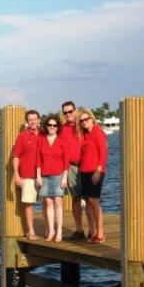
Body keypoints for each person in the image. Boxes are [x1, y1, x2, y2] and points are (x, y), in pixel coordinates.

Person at [76, 108, 108, 243]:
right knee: (87, 201)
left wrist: (98, 169)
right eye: (81, 120)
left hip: (95, 171)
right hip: (84, 171)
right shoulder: (84, 134)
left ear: (92, 119)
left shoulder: (97, 132)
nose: (84, 122)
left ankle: (100, 231)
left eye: (86, 119)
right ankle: (92, 230)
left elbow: (103, 152)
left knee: (94, 201)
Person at [36, 114, 69, 242]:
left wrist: (65, 178)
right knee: (48, 203)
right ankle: (51, 231)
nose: (52, 127)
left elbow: (66, 161)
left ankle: (59, 231)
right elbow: (38, 159)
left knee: (58, 203)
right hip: (44, 176)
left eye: (54, 125)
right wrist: (38, 176)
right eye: (49, 125)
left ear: (58, 127)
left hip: (58, 175)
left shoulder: (62, 141)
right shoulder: (42, 140)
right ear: (46, 126)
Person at [12, 110, 40, 240]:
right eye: (30, 120)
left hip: (44, 175)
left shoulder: (45, 134)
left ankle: (50, 230)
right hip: (27, 175)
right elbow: (16, 156)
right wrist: (16, 175)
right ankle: (31, 230)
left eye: (35, 119)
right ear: (27, 122)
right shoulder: (22, 136)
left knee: (50, 202)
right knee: (29, 204)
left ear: (39, 120)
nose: (33, 122)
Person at [60, 101, 84, 240]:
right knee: (76, 198)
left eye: (70, 111)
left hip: (86, 166)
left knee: (91, 200)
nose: (68, 114)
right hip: (71, 167)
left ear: (75, 110)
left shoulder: (83, 124)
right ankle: (79, 229)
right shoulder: (62, 129)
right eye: (65, 113)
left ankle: (95, 231)